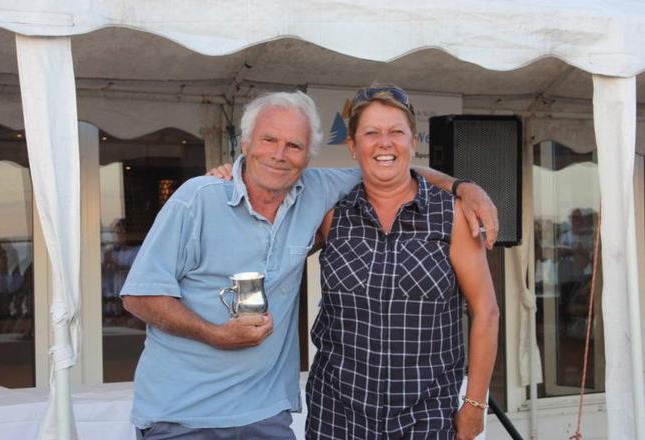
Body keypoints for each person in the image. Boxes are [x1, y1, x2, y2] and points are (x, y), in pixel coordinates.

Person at [121, 90, 497, 439]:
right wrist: (214, 333)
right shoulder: (199, 200)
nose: (280, 154)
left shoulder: (316, 195)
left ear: (308, 156)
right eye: (268, 140)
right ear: (245, 143)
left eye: (294, 145)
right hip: (186, 418)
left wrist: (467, 188)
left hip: (270, 417)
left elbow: (395, 168)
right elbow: (139, 297)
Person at [305, 85, 499, 439]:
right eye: (371, 133)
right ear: (352, 146)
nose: (384, 143)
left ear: (413, 143)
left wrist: (474, 404)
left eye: (396, 132)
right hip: (337, 415)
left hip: (425, 417)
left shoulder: (452, 216)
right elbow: (267, 213)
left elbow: (486, 312)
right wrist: (229, 176)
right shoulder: (331, 214)